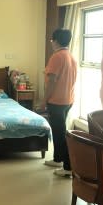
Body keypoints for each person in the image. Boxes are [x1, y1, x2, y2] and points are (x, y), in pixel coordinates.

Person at [41, 28, 77, 177]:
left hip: (57, 101)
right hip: (67, 100)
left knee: (61, 134)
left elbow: (52, 81)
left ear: (55, 41)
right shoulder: (70, 56)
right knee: (58, 132)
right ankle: (57, 159)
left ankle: (68, 168)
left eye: (51, 40)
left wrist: (44, 100)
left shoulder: (57, 57)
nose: (51, 43)